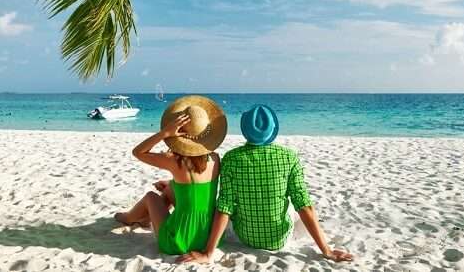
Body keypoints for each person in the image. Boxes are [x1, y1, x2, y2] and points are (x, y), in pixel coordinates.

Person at [179, 104, 353, 264]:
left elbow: (224, 207)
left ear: (245, 131)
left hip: (245, 237)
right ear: (273, 130)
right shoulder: (288, 157)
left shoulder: (231, 158)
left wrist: (209, 253)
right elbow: (304, 206)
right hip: (280, 240)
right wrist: (327, 251)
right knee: (298, 206)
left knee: (233, 205)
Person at [114, 95, 228, 256]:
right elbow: (196, 188)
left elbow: (138, 152)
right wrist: (171, 184)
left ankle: (128, 218)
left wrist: (164, 133)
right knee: (170, 187)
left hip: (177, 241)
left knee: (151, 197)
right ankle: (146, 219)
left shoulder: (175, 160)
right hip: (209, 238)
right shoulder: (215, 158)